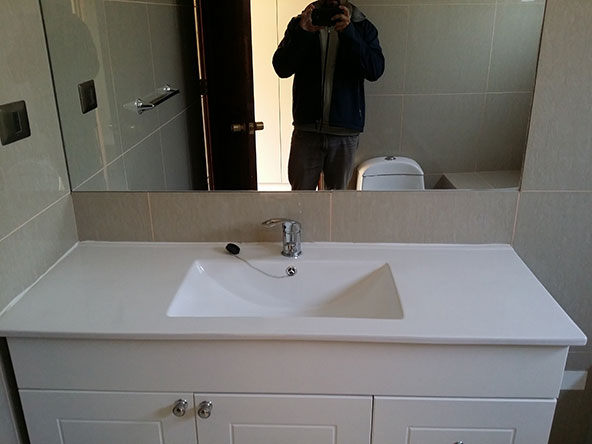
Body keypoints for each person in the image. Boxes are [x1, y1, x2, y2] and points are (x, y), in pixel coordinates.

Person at [273, 0, 384, 190]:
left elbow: (375, 70)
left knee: (337, 200)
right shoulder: (301, 23)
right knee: (301, 198)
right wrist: (303, 33)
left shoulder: (362, 27)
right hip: (307, 130)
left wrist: (349, 33)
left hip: (344, 131)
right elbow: (282, 68)